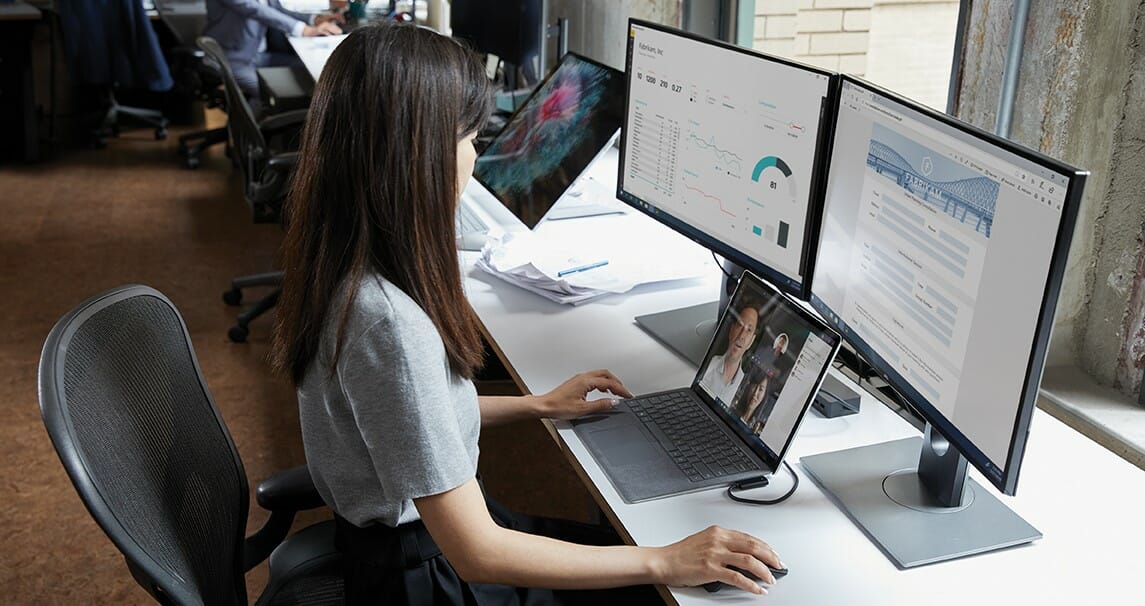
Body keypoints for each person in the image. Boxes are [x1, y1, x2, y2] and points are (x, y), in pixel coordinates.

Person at [271, 23, 784, 604]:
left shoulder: (339, 258)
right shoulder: (389, 323)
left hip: (412, 541)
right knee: (665, 586)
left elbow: (404, 416)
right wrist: (665, 559)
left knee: (625, 551)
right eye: (468, 138)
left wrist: (537, 405)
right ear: (415, 156)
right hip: (429, 576)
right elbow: (477, 554)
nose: (475, 154)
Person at [203, 0, 343, 103]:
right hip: (233, 59)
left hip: (257, 55)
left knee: (308, 72)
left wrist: (315, 19)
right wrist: (305, 30)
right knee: (268, 93)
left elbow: (276, 8)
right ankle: (255, 136)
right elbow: (255, 9)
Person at [699, 304, 760, 405]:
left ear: (751, 342)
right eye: (740, 325)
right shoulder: (707, 363)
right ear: (731, 330)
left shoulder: (744, 385)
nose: (741, 335)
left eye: (749, 330)